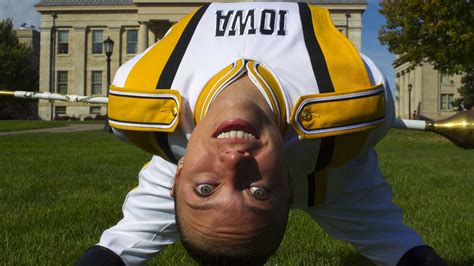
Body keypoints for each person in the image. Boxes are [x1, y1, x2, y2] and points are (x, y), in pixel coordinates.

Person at [77, 2, 446, 265]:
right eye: (259, 191)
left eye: (206, 189)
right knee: (396, 243)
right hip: (326, 168)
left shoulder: (140, 99)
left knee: (124, 240)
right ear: (289, 181)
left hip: (185, 140)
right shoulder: (352, 107)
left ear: (179, 173)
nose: (234, 163)